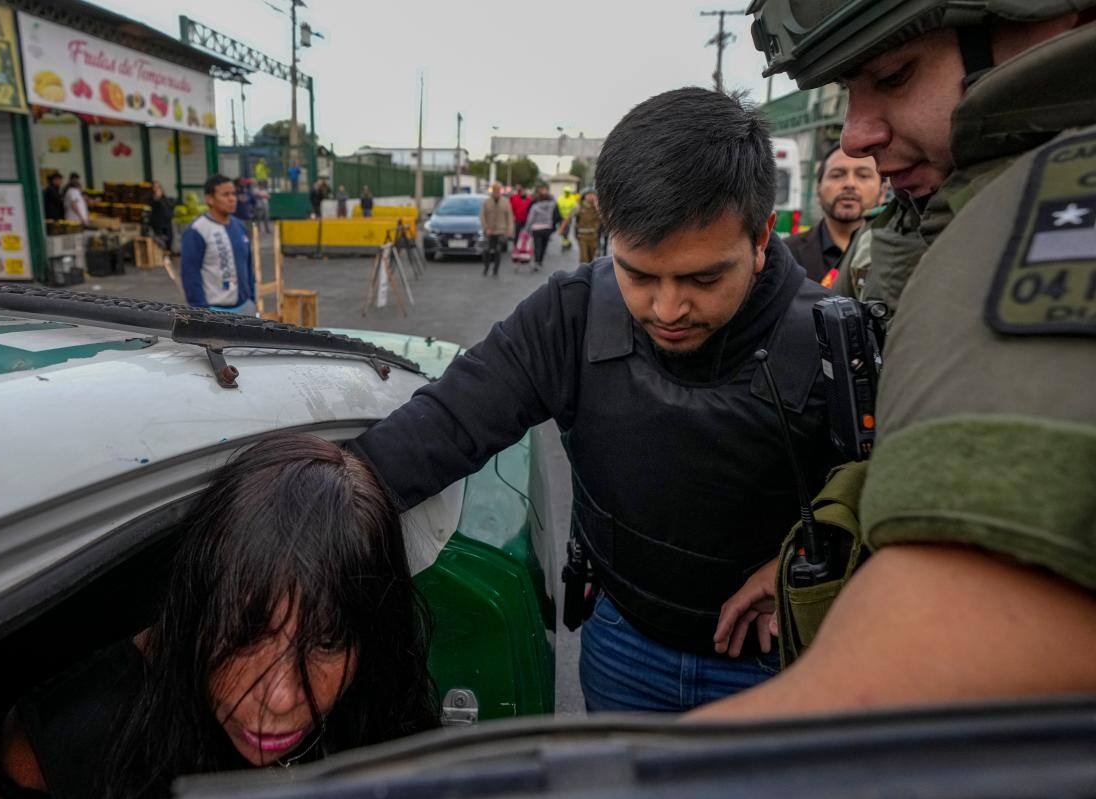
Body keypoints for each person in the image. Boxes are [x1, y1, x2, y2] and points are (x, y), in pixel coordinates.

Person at [347, 88, 839, 713]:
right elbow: (444, 424)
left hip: (783, 665)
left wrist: (800, 561)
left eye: (703, 278)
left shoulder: (833, 339)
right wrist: (325, 501)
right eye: (639, 274)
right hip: (625, 649)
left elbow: (896, 497)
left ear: (764, 236)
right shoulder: (572, 313)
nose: (668, 309)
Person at [693, 0, 1096, 719]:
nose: (855, 136)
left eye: (896, 75)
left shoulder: (1048, 210)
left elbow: (936, 686)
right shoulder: (941, 214)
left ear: (1050, 19)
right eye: (849, 92)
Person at [0, 432, 440, 799]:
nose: (281, 697)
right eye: (246, 633)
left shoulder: (382, 707)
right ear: (195, 611)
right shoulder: (56, 749)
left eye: (327, 642)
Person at [783, 143, 883, 285]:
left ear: (883, 192)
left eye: (863, 175)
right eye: (837, 175)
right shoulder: (785, 254)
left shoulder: (894, 253)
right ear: (819, 190)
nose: (850, 184)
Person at [180, 174, 256, 315]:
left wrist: (252, 299)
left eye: (233, 193)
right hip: (215, 312)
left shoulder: (240, 226)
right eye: (225, 194)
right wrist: (202, 313)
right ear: (209, 199)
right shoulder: (197, 231)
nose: (232, 199)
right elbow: (190, 276)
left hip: (246, 308)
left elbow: (248, 266)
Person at [480, 180, 515, 277]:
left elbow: (510, 217)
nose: (496, 191)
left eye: (498, 189)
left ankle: (495, 269)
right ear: (492, 190)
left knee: (498, 251)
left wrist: (510, 230)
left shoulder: (506, 202)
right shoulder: (486, 202)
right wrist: (486, 228)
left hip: (501, 231)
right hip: (489, 231)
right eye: (495, 189)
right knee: (486, 250)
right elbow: (482, 216)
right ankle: (486, 267)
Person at [523, 185, 561, 271]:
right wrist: (553, 226)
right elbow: (557, 216)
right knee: (544, 245)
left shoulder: (535, 205)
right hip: (547, 227)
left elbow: (530, 217)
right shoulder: (552, 204)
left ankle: (537, 261)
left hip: (536, 228)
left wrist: (527, 228)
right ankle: (540, 260)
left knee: (537, 245)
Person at [568, 190, 601, 264]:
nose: (591, 197)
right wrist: (562, 228)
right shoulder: (579, 206)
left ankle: (590, 273)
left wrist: (597, 207)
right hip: (582, 236)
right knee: (584, 258)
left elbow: (604, 219)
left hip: (594, 236)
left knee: (592, 258)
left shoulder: (597, 207)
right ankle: (584, 274)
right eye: (589, 195)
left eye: (593, 195)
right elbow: (569, 217)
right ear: (585, 196)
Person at [148, 180, 174, 251]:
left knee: (169, 241)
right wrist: (156, 198)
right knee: (161, 244)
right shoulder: (153, 200)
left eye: (159, 187)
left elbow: (169, 209)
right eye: (155, 188)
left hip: (167, 224)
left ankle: (167, 256)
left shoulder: (165, 199)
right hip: (158, 227)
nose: (157, 190)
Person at [556, 187, 579, 251]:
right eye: (566, 192)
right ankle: (566, 242)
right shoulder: (560, 199)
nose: (567, 193)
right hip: (561, 217)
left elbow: (575, 208)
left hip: (569, 218)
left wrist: (571, 215)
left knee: (566, 230)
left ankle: (565, 243)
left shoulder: (572, 198)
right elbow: (557, 207)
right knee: (563, 230)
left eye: (568, 192)